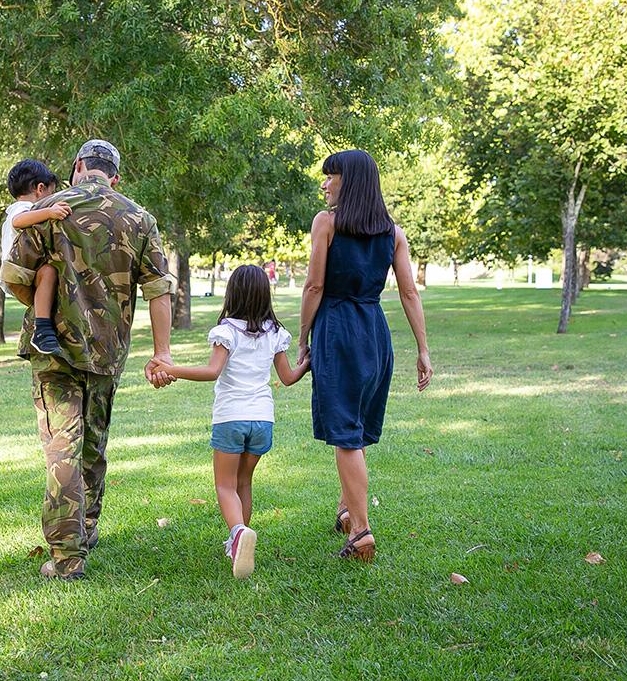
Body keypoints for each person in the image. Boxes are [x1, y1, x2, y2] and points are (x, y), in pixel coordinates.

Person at [1, 138, 175, 581]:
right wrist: (162, 352)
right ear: (114, 176)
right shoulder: (140, 218)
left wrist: (48, 310)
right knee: (94, 444)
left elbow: (13, 276)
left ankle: (67, 558)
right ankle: (88, 527)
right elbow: (158, 292)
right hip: (107, 351)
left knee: (63, 446)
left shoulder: (49, 208)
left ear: (78, 166)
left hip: (52, 350)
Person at [298, 149, 433, 562]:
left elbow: (314, 287)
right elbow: (409, 292)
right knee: (354, 429)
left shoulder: (327, 224)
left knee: (344, 434)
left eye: (330, 176)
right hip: (375, 332)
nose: (324, 183)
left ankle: (360, 531)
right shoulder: (393, 232)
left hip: (338, 331)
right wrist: (423, 350)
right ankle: (346, 509)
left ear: (349, 181)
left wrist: (303, 338)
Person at [149, 264, 308, 580]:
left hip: (231, 419)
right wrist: (308, 362)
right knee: (243, 482)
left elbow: (212, 372)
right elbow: (288, 378)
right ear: (265, 295)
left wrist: (172, 368)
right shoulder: (275, 333)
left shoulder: (226, 332)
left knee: (224, 484)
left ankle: (238, 533)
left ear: (232, 293)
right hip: (262, 421)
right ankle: (240, 540)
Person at [0, 159, 72, 355]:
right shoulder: (21, 208)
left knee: (48, 279)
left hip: (24, 273)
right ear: (40, 188)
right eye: (51, 193)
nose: (52, 198)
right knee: (49, 272)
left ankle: (45, 329)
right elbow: (19, 220)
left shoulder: (29, 209)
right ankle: (42, 330)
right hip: (18, 273)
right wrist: (50, 211)